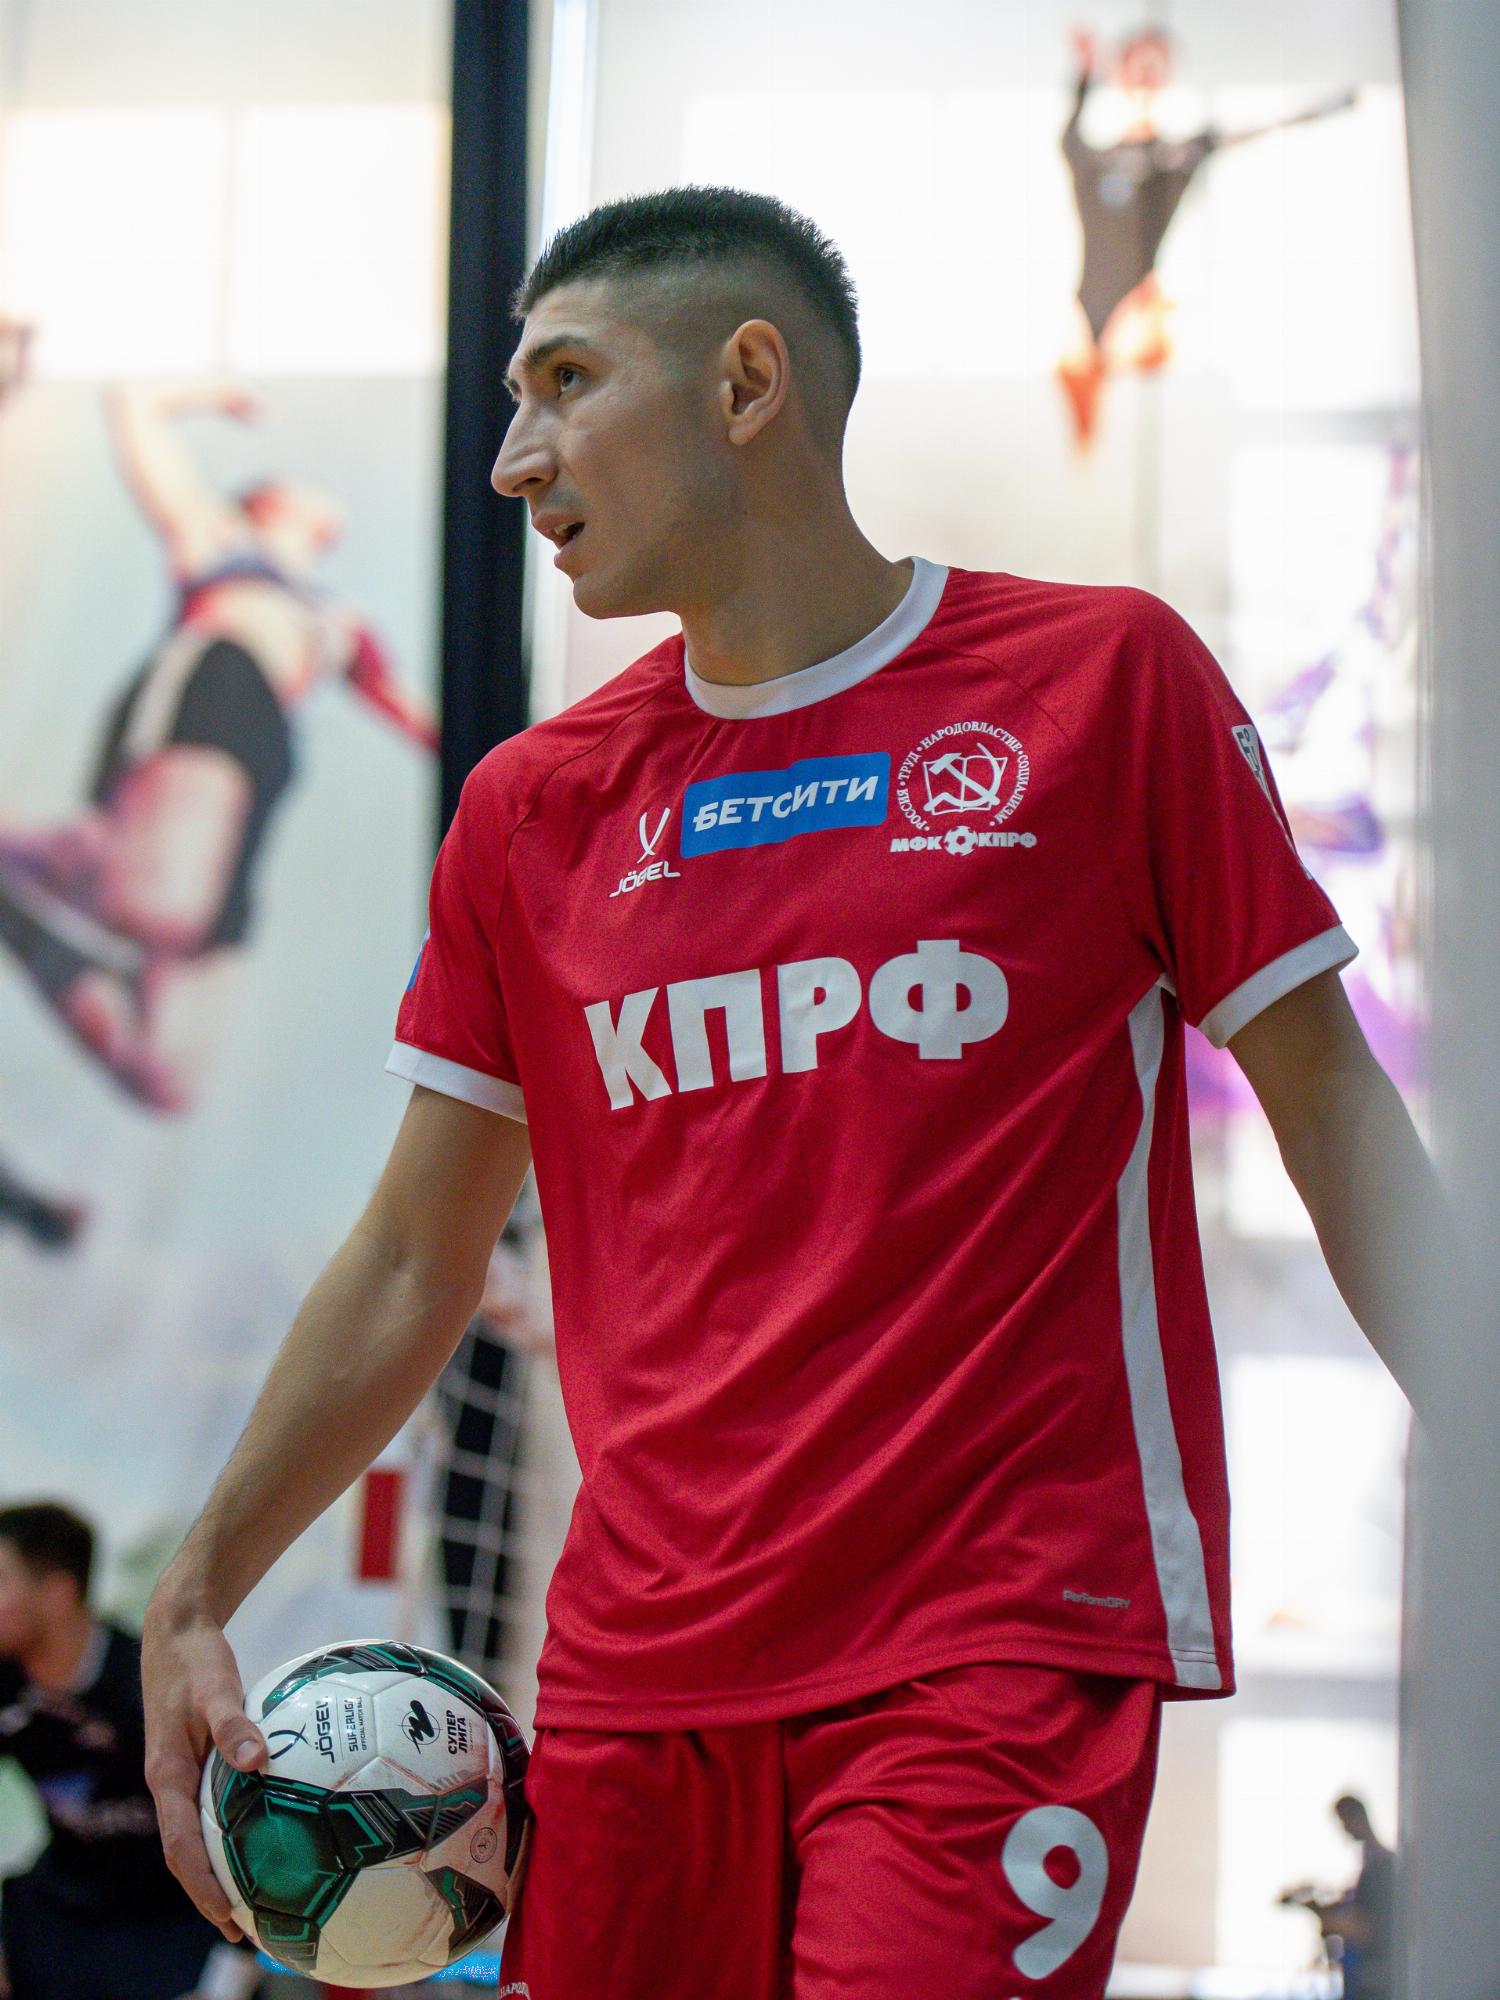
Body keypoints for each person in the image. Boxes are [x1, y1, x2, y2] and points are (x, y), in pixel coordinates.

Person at [141, 187, 1451, 1999]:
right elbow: (413, 1257)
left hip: (990, 1643)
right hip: (634, 1678)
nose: (514, 459)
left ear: (747, 381)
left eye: (566, 382)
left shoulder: (1102, 685)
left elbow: (1333, 1107)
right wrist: (198, 1584)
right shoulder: (533, 808)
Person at [0, 381, 437, 1114]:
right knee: (154, 908)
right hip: (214, 693)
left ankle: (26, 891)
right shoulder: (219, 539)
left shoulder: (341, 621)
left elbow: (420, 716)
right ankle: (56, 855)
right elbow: (132, 407)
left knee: (167, 1080)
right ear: (267, 502)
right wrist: (208, 396)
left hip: (263, 763)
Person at [1057, 25, 1356, 449]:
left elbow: (1264, 127)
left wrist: (1329, 106)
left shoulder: (1177, 157)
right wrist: (1086, 73)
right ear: (1120, 73)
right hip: (1091, 315)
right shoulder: (1093, 160)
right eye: (1136, 66)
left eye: (1155, 68)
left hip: (1138, 313)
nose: (1145, 78)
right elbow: (1071, 134)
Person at [0, 1502, 251, 2000]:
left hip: (176, 1916)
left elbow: (245, 1823)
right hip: (68, 1905)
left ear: (57, 1594)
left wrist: (235, 1970)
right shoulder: (7, 1682)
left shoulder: (152, 1686)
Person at [1279, 1794, 1396, 2000]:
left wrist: (1318, 1912)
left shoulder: (1379, 1866)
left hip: (1370, 1975)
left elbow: (1365, 1926)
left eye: (1345, 1822)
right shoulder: (1372, 1861)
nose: (1345, 1830)